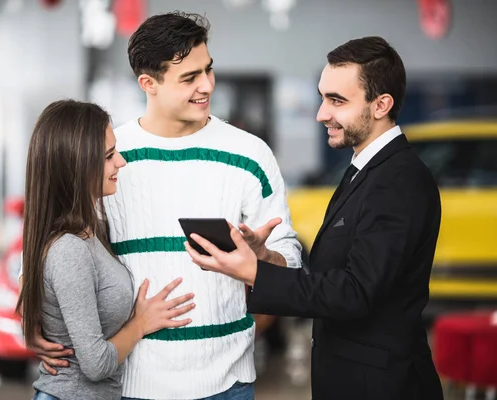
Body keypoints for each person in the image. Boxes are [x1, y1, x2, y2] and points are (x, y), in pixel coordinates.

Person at [27, 11, 301, 400]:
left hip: (228, 383)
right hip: (133, 383)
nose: (206, 85)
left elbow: (290, 263)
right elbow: (54, 245)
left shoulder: (250, 154)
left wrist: (263, 259)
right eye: (189, 78)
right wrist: (35, 314)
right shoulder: (109, 158)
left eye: (208, 70)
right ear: (148, 83)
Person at [185, 36, 445, 400]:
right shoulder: (364, 170)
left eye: (337, 101)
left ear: (381, 105)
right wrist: (264, 259)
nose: (322, 113)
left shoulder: (398, 180)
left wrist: (253, 273)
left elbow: (355, 292)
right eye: (323, 97)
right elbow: (335, 277)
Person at [17, 99, 196, 400]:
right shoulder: (69, 250)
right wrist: (140, 323)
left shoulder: (93, 230)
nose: (121, 162)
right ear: (77, 167)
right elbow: (96, 364)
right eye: (109, 156)